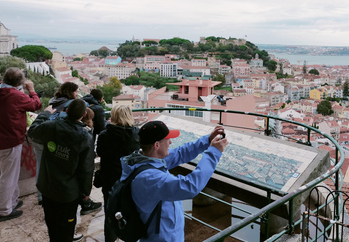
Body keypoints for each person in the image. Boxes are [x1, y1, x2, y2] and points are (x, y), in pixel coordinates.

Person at [120, 120, 228, 242]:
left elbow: (181, 153)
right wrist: (214, 152)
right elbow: (190, 186)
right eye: (168, 139)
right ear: (156, 145)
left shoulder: (146, 159)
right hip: (162, 239)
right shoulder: (149, 178)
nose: (171, 142)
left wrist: (207, 140)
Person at [28, 99, 100, 242]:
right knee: (66, 230)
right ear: (84, 114)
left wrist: (45, 113)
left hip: (47, 187)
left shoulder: (51, 126)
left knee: (52, 226)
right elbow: (86, 169)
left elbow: (32, 131)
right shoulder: (85, 136)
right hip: (68, 193)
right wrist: (86, 193)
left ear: (66, 111)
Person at [0, 68, 42, 222]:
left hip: (3, 139)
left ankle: (12, 201)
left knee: (9, 174)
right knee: (8, 176)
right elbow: (36, 105)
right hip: (10, 140)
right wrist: (31, 90)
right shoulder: (16, 96)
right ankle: (4, 210)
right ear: (19, 83)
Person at [31, 81, 79, 205]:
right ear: (71, 92)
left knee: (40, 166)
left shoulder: (53, 100)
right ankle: (52, 193)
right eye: (76, 91)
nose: (77, 94)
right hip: (51, 138)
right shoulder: (70, 104)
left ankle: (41, 196)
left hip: (39, 135)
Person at [97, 105, 140, 242]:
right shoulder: (137, 135)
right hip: (130, 182)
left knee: (110, 215)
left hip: (110, 180)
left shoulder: (105, 135)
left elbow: (99, 152)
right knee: (130, 213)